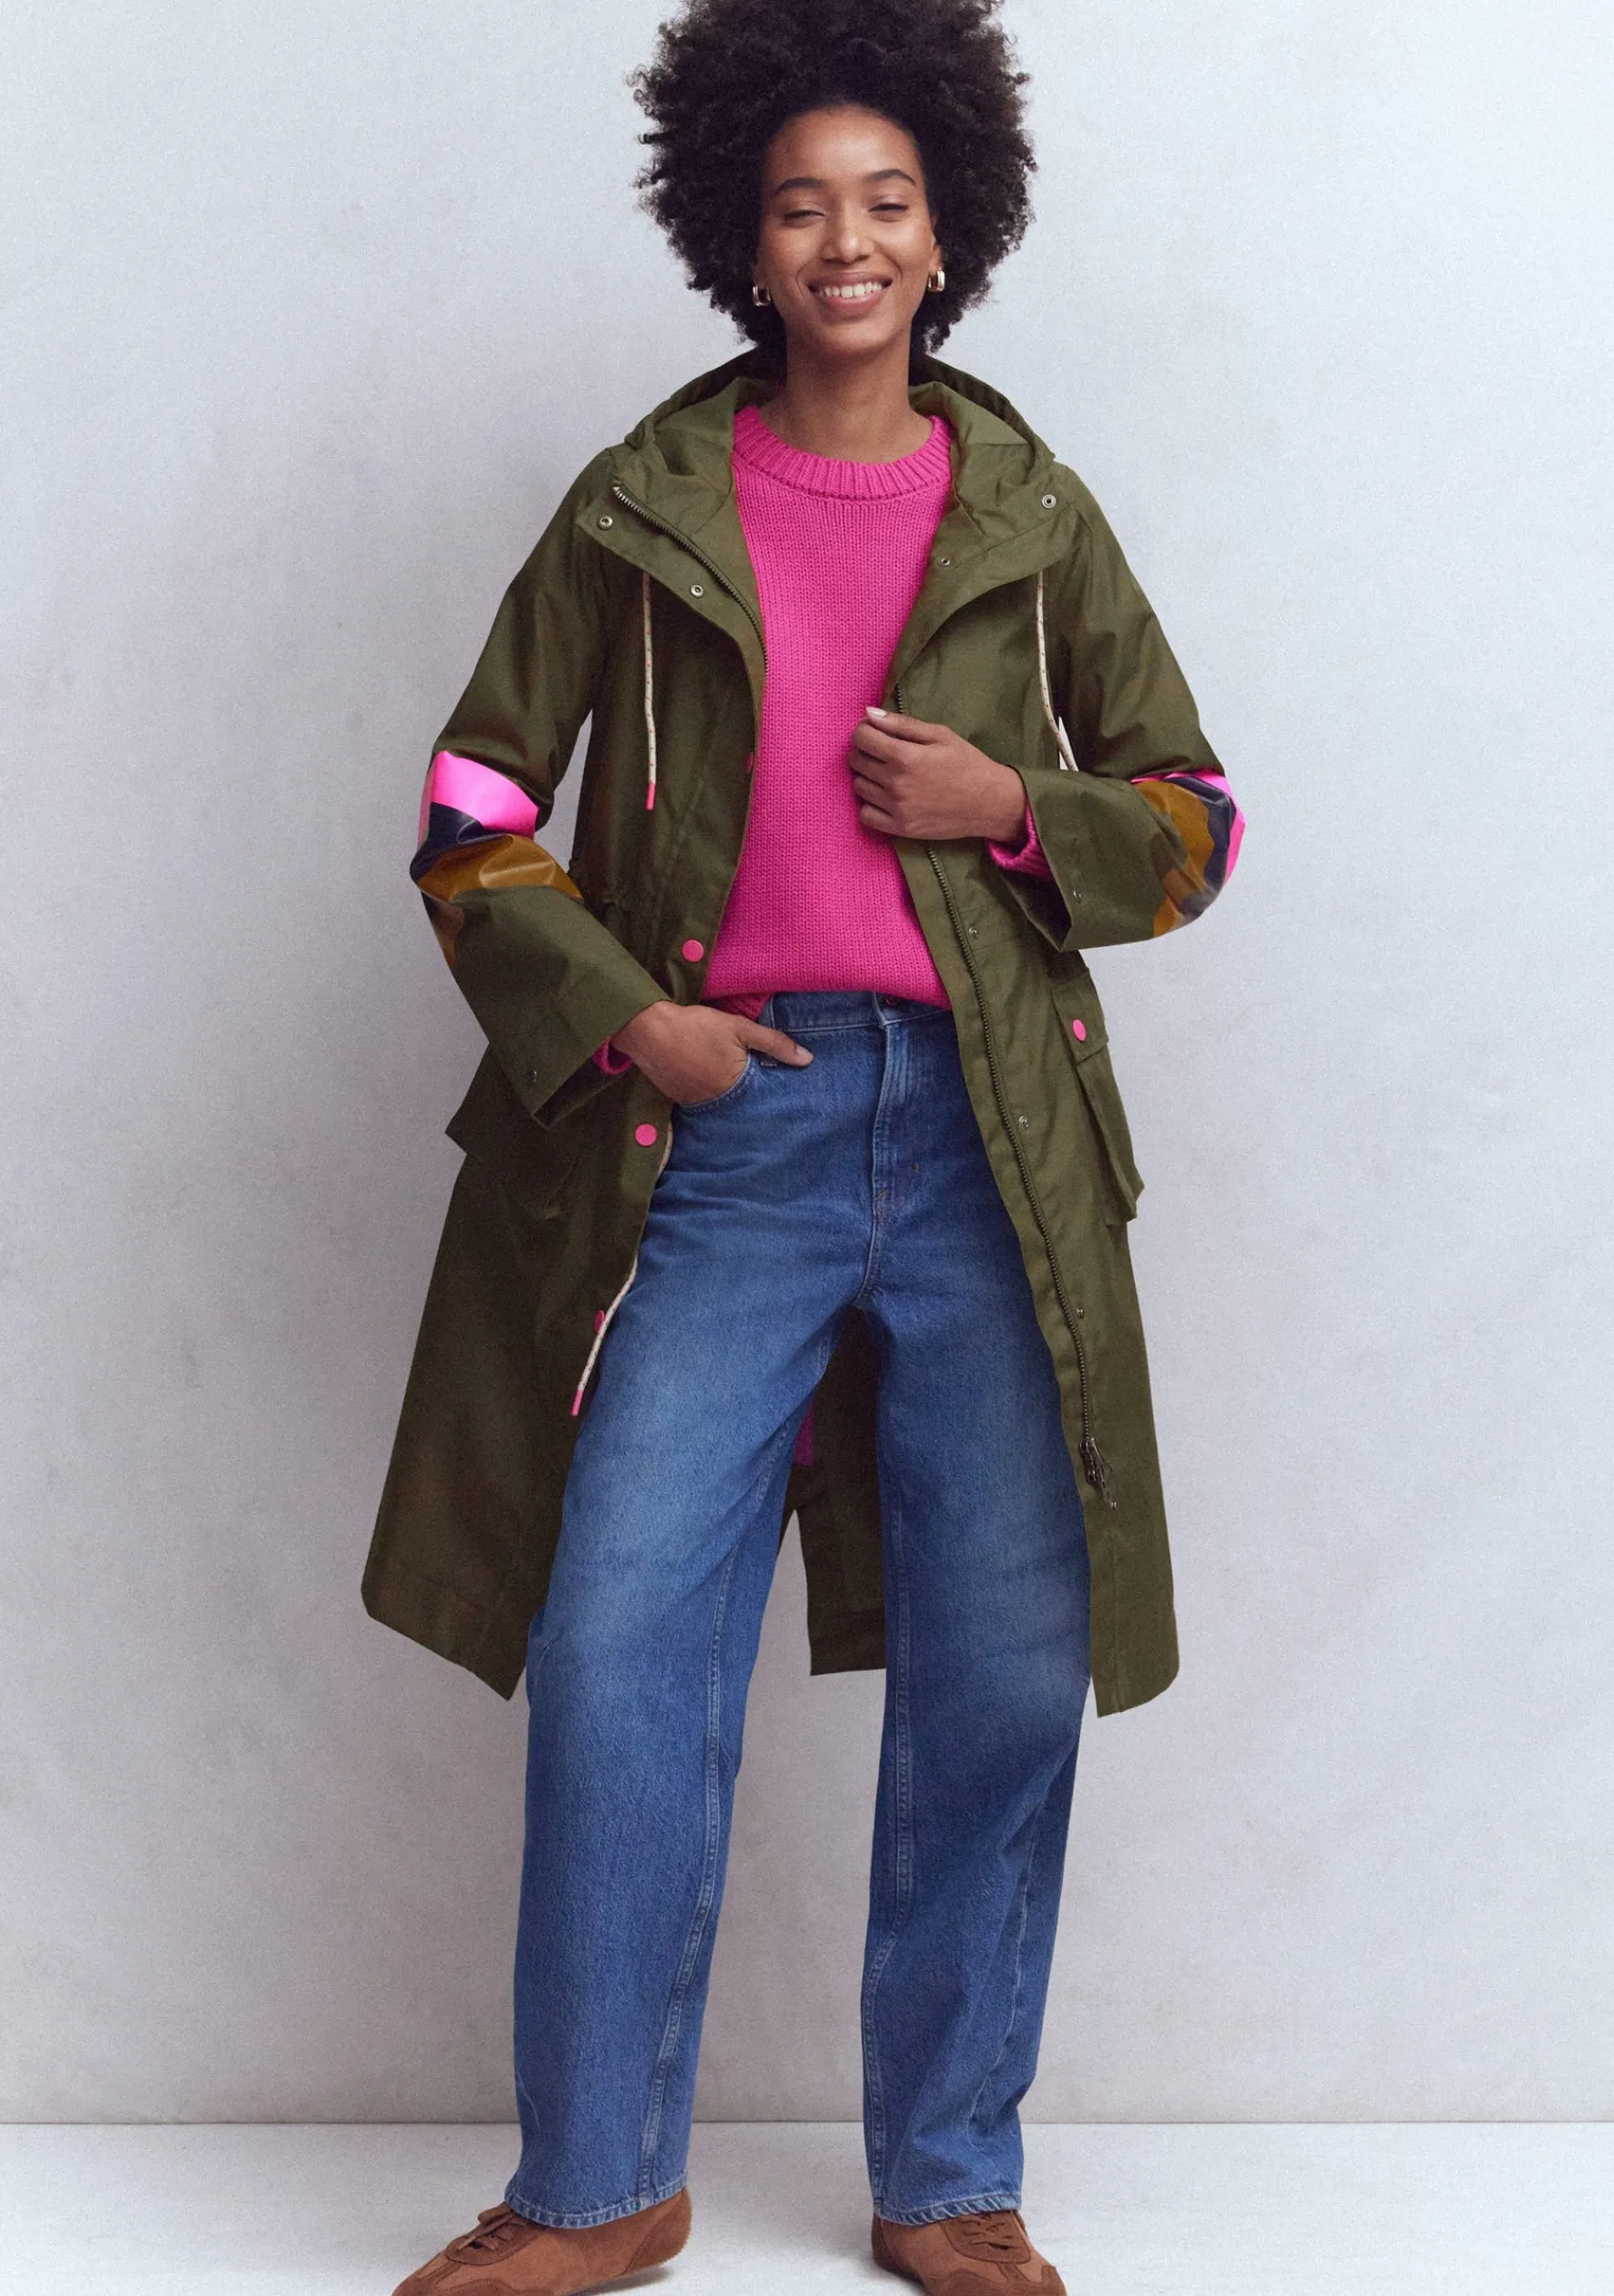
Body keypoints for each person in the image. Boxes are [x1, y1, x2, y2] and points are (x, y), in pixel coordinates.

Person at [368, 1, 1242, 2288]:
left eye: (886, 201)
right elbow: (472, 801)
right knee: (618, 1637)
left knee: (1001, 1664)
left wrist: (1013, 804)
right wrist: (627, 1019)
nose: (845, 240)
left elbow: (1196, 821)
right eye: (799, 206)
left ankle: (950, 2176)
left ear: (948, 232)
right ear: (740, 244)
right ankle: (598, 2185)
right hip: (720, 1135)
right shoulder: (641, 497)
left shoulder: (1030, 511)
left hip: (986, 1140)